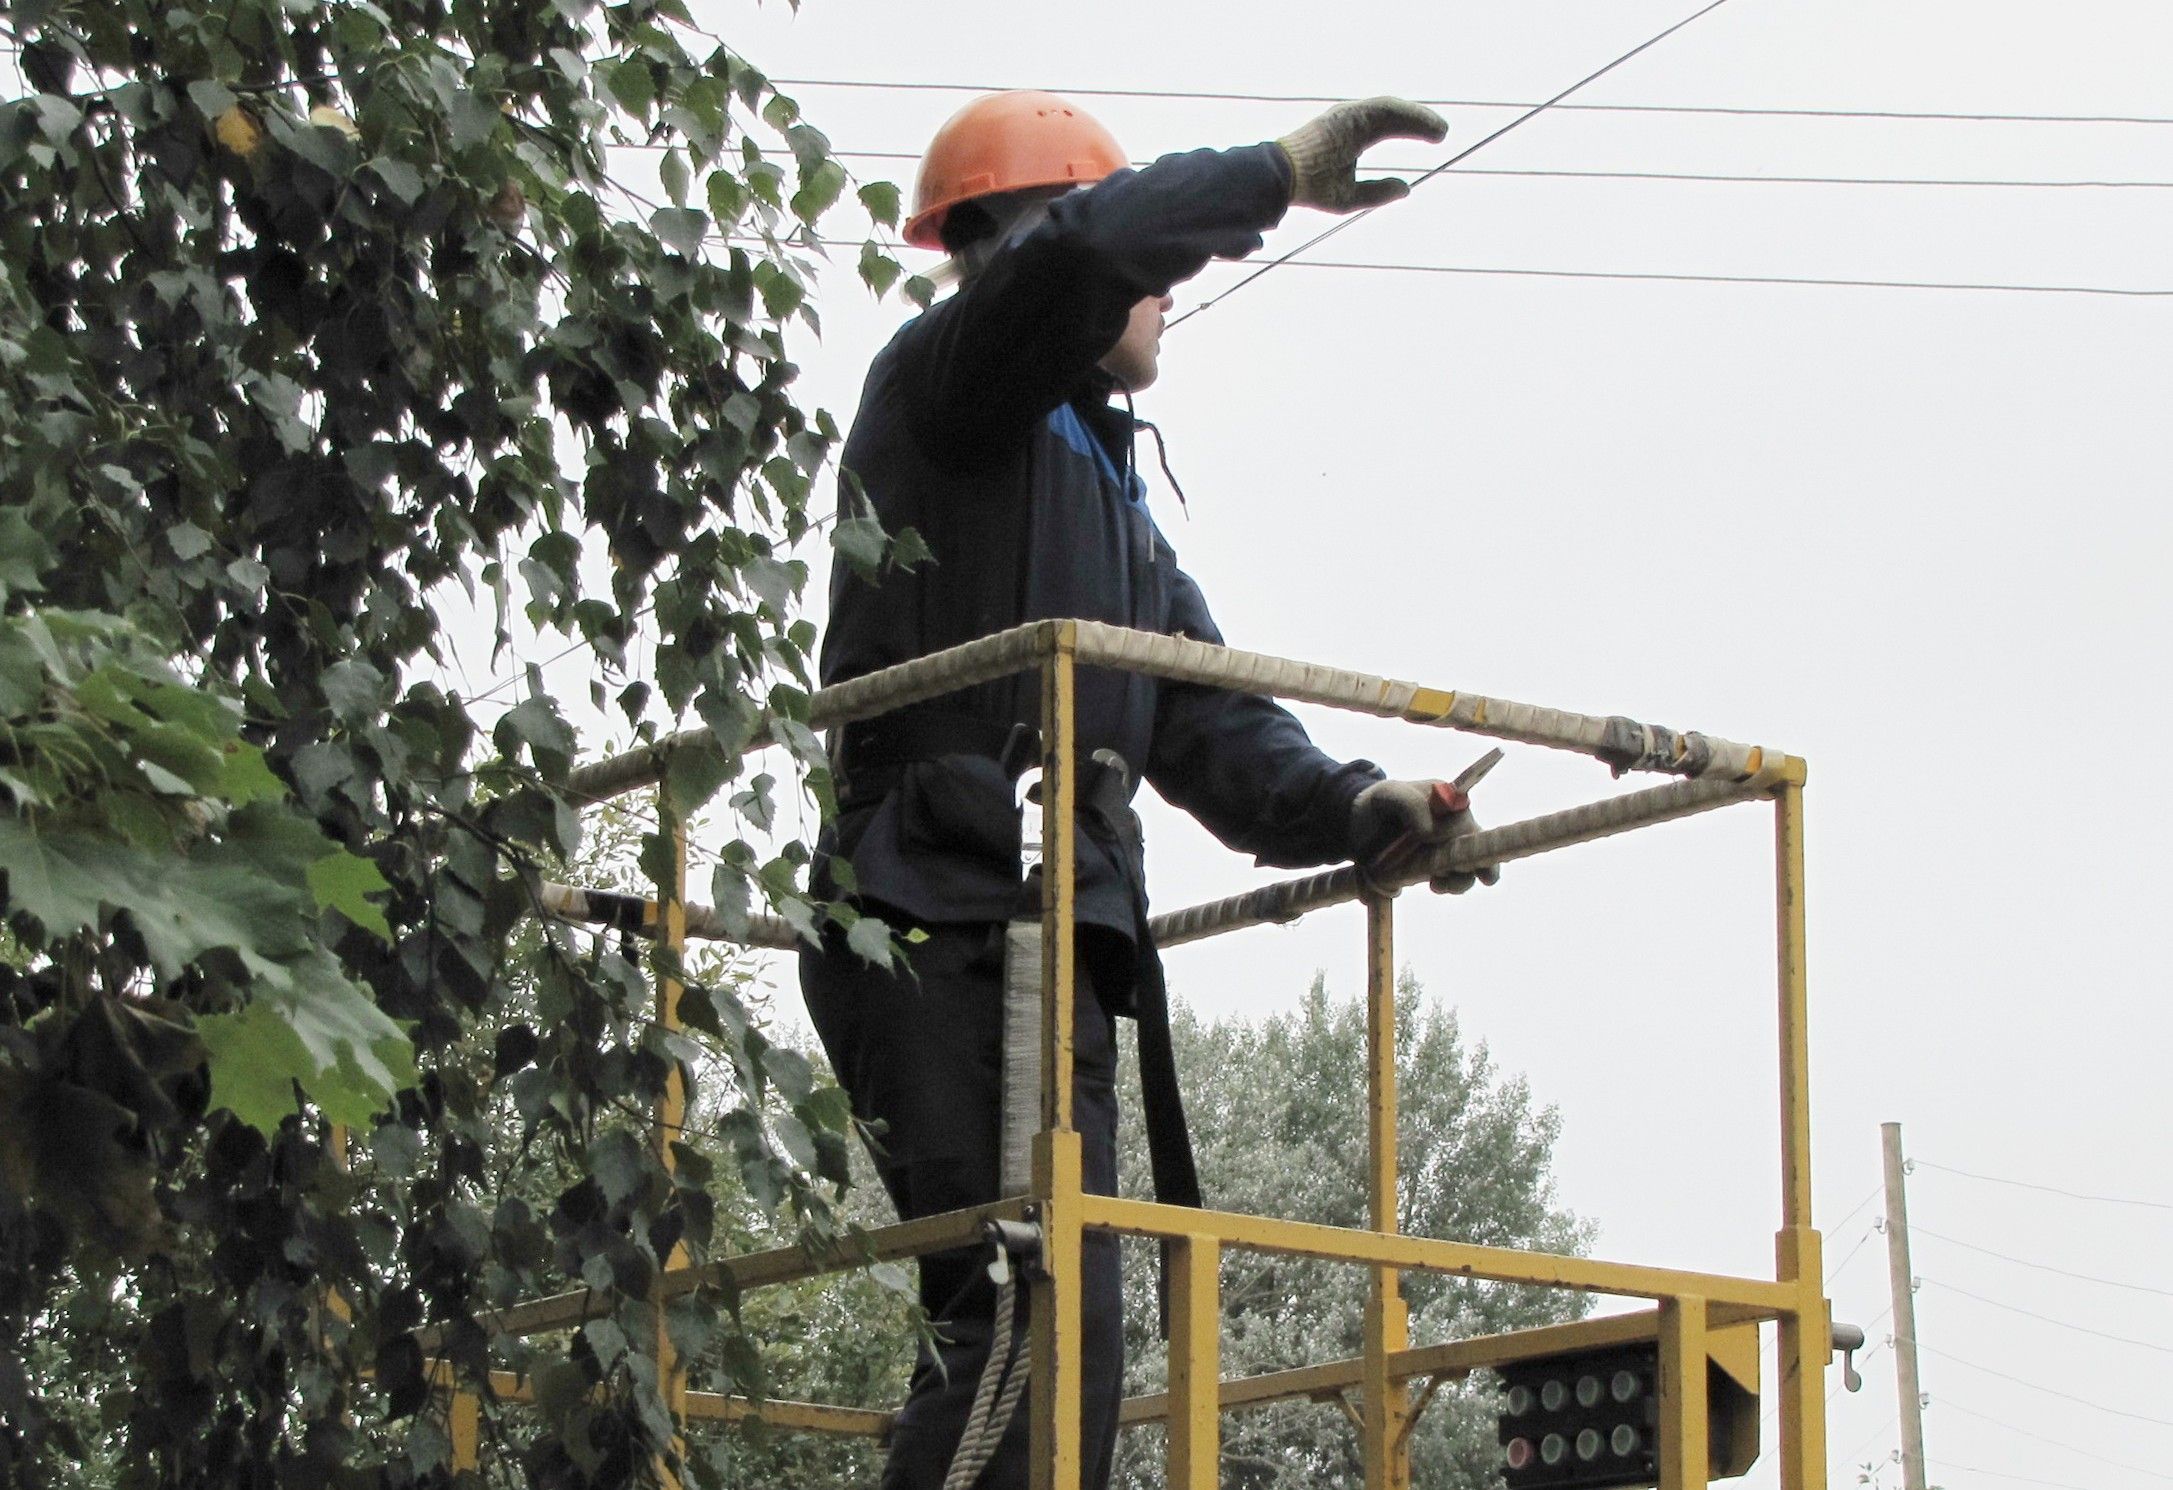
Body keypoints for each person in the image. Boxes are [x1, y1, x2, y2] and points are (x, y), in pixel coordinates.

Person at [798, 90, 1495, 1490]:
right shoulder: (952, 381)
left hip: (1044, 935)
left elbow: (1202, 709)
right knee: (1020, 1329)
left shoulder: (1102, 503)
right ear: (1031, 241)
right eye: (1147, 270)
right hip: (940, 906)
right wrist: (1273, 174)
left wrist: (1362, 808)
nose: (1166, 296)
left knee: (1063, 1350)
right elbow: (1079, 259)